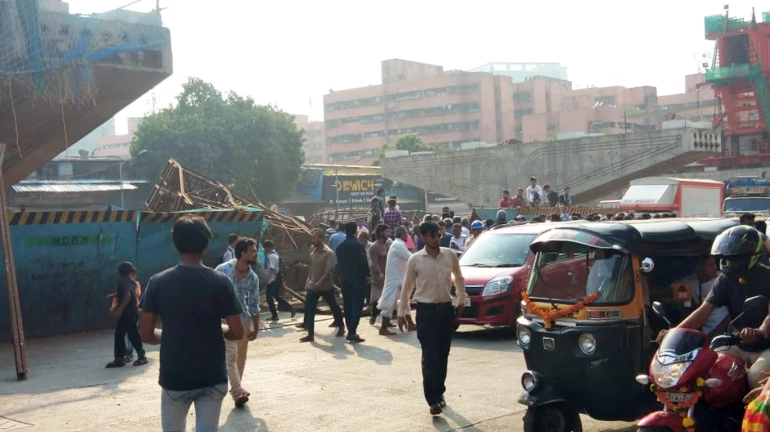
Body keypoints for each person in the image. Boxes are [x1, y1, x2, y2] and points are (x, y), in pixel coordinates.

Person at [139, 215, 244, 432]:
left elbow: (146, 333)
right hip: (212, 375)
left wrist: (169, 336)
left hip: (175, 375)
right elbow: (237, 331)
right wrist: (221, 330)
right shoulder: (220, 282)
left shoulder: (158, 282)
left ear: (176, 244)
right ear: (206, 245)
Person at [666, 225, 770, 390]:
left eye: (734, 258)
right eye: (726, 258)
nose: (728, 262)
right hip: (736, 343)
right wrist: (675, 332)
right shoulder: (725, 280)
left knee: (756, 376)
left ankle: (754, 416)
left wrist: (761, 331)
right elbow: (703, 312)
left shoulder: (767, 277)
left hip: (765, 345)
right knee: (708, 371)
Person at [397, 221, 467, 416]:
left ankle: (439, 392)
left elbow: (459, 278)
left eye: (438, 234)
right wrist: (403, 313)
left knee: (443, 355)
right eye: (432, 235)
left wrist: (461, 299)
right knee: (429, 356)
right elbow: (407, 287)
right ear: (422, 237)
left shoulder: (450, 255)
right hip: (426, 313)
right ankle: (433, 400)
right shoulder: (415, 260)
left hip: (445, 311)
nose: (436, 238)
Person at [215, 237, 260, 408]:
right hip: (222, 321)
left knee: (240, 358)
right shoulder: (222, 270)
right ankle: (237, 390)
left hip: (243, 321)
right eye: (253, 251)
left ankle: (237, 390)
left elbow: (254, 304)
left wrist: (256, 328)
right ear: (243, 253)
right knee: (231, 356)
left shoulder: (252, 277)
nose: (256, 254)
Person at [300, 229, 345, 342]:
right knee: (309, 308)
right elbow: (312, 268)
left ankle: (341, 326)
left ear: (320, 239)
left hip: (325, 286)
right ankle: (310, 334)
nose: (312, 240)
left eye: (314, 238)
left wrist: (319, 283)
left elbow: (328, 271)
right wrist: (309, 282)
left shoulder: (329, 253)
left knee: (333, 306)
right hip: (313, 285)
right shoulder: (312, 251)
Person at [672, 256, 728, 337]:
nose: (715, 268)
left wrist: (716, 332)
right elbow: (668, 290)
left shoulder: (722, 280)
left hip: (723, 331)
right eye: (710, 265)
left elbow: (730, 315)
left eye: (715, 264)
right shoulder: (689, 282)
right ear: (697, 268)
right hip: (704, 333)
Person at [106, 262, 148, 368]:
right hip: (132, 312)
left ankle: (140, 357)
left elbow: (128, 295)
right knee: (123, 335)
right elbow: (130, 293)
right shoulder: (131, 282)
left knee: (129, 335)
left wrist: (119, 310)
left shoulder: (121, 281)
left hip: (127, 313)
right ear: (130, 272)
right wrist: (114, 295)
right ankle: (120, 358)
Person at [335, 221, 370, 343]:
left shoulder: (340, 247)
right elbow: (363, 262)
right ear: (356, 231)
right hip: (358, 278)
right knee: (358, 305)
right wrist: (367, 276)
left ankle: (350, 328)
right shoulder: (358, 246)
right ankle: (352, 331)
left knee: (347, 304)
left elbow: (338, 265)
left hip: (345, 279)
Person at [378, 226, 414, 334]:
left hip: (399, 278)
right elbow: (411, 258)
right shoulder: (398, 245)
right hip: (394, 280)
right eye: (406, 233)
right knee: (388, 304)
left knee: (405, 302)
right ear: (403, 234)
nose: (408, 236)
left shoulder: (399, 244)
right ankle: (383, 328)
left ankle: (411, 324)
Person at [264, 240, 296, 321]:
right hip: (275, 279)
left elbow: (272, 269)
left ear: (269, 247)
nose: (264, 250)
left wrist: (267, 279)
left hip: (273, 280)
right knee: (277, 297)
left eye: (265, 248)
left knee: (269, 298)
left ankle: (275, 315)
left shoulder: (272, 256)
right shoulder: (273, 254)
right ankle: (290, 308)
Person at [369, 224, 392, 329]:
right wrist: (379, 273)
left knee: (388, 298)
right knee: (377, 298)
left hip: (389, 274)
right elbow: (374, 262)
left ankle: (387, 321)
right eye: (386, 231)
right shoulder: (374, 246)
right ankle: (373, 315)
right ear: (381, 233)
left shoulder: (389, 244)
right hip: (379, 276)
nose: (388, 233)